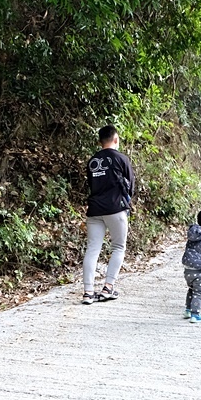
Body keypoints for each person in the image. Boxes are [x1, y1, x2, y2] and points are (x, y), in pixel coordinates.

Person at [82, 125, 135, 305]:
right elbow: (130, 186)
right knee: (118, 247)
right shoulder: (121, 158)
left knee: (93, 249)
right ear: (116, 139)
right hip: (116, 209)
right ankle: (108, 287)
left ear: (100, 141)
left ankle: (88, 292)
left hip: (95, 210)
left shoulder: (92, 161)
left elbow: (91, 184)